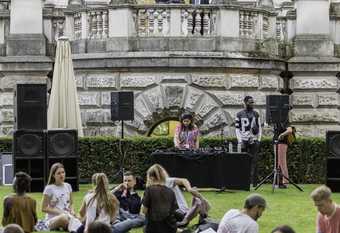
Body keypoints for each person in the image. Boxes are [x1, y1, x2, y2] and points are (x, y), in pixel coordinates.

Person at [36, 163, 82, 232]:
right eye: (59, 173)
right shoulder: (49, 188)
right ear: (53, 175)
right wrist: (60, 212)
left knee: (82, 217)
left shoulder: (68, 186)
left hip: (68, 215)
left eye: (63, 172)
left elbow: (71, 203)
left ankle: (72, 227)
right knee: (64, 218)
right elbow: (43, 208)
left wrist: (72, 211)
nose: (62, 175)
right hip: (54, 219)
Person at [141, 164, 178, 233]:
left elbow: (144, 211)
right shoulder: (171, 191)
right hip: (170, 228)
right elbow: (173, 211)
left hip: (153, 229)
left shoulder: (149, 190)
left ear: (151, 177)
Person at [235, 96, 262, 186]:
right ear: (245, 102)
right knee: (243, 161)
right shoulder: (239, 114)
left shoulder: (256, 114)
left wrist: (258, 140)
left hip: (253, 140)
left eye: (253, 102)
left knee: (254, 161)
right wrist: (240, 141)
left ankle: (253, 182)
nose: (252, 104)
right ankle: (243, 181)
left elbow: (259, 128)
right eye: (250, 102)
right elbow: (237, 129)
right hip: (244, 140)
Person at [273, 120, 296, 188]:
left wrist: (281, 135)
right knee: (277, 162)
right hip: (277, 142)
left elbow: (290, 130)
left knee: (281, 162)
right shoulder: (277, 120)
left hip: (282, 142)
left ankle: (284, 182)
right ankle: (278, 182)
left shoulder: (284, 120)